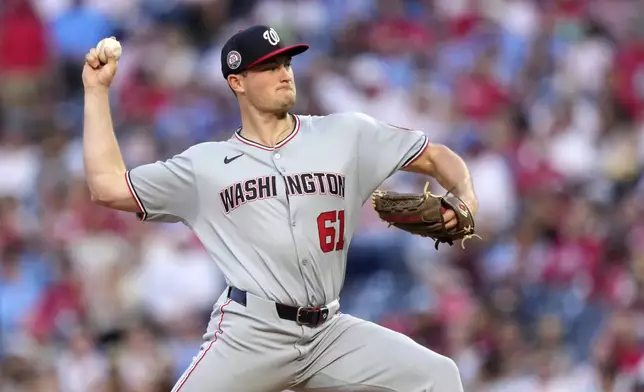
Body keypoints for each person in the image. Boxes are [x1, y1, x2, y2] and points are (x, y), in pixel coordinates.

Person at [82, 25, 475, 392]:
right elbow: (107, 187)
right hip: (253, 334)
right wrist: (97, 92)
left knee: (438, 376)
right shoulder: (204, 167)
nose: (284, 73)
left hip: (328, 332)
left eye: (286, 63)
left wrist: (465, 195)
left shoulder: (345, 133)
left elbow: (435, 156)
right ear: (236, 82)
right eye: (268, 67)